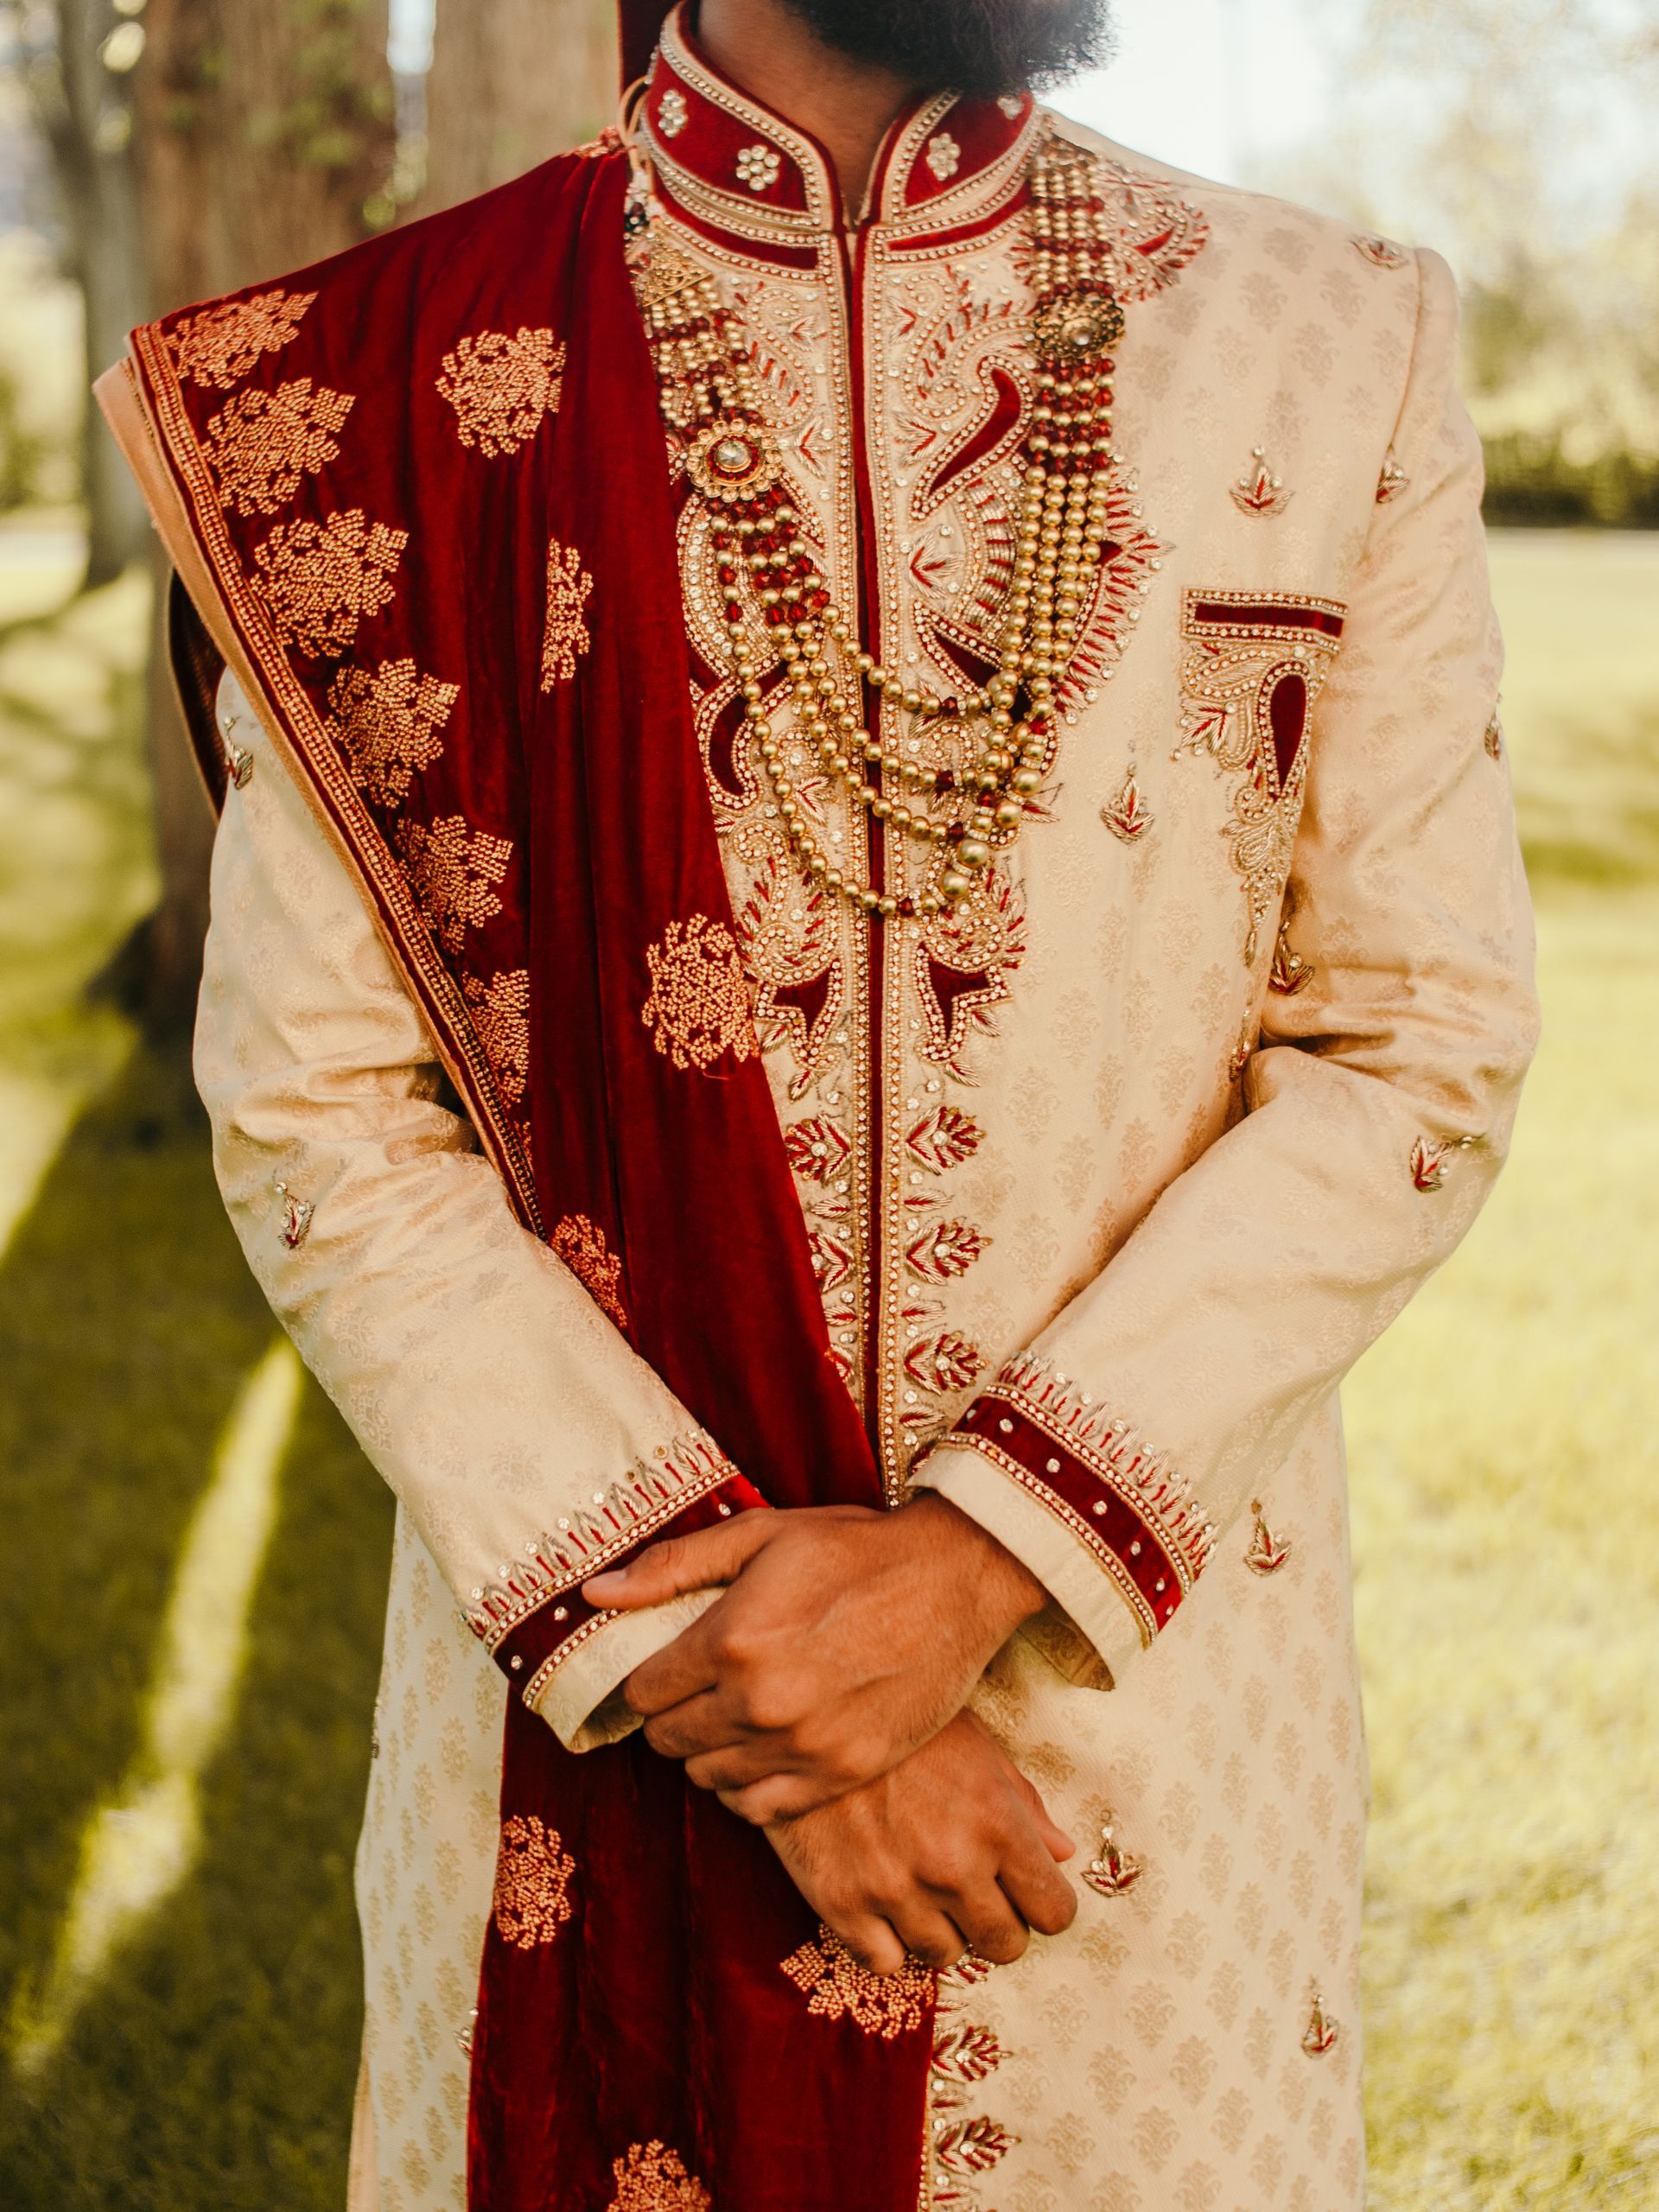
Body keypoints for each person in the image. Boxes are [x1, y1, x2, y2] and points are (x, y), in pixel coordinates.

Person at [98, 0, 1539, 2203]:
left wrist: (970, 1565)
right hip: (594, 1729)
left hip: (1125, 1768)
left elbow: (1414, 1037)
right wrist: (741, 1674)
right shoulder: (375, 390)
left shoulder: (1329, 341)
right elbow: (327, 1120)